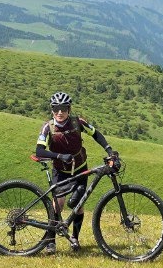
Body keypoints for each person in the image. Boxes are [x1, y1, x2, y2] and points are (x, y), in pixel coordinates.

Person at [34, 91, 117, 254]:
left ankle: (75, 238)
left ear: (68, 109)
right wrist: (59, 156)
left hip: (80, 168)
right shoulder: (48, 127)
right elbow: (39, 151)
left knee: (78, 205)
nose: (60, 112)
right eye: (56, 108)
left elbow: (96, 134)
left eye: (63, 108)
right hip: (60, 170)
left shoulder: (78, 122)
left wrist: (109, 150)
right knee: (58, 204)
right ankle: (50, 241)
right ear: (52, 109)